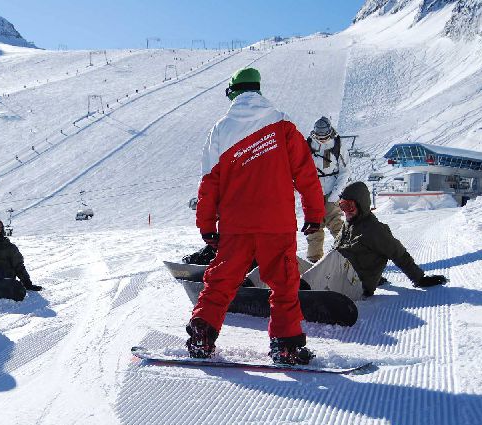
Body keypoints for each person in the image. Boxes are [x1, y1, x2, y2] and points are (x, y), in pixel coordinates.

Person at [185, 67, 325, 366]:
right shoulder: (283, 124)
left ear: (233, 92)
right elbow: (306, 174)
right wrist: (314, 213)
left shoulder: (221, 129)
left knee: (221, 281)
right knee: (284, 286)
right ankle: (286, 347)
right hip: (276, 223)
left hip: (236, 225)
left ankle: (202, 335)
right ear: (258, 89)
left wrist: (207, 224)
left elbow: (209, 182)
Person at [302, 182, 447, 298]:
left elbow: (399, 254)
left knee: (335, 256)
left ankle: (303, 291)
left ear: (361, 204)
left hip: (356, 287)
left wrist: (420, 279)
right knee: (292, 260)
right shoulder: (349, 224)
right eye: (342, 206)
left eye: (349, 206)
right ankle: (295, 288)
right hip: (338, 279)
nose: (346, 212)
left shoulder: (375, 229)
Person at [305, 116, 350, 263]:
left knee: (336, 225)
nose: (322, 140)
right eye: (319, 137)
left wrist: (335, 194)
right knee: (314, 227)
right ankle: (314, 261)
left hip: (331, 191)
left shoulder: (338, 145)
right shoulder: (308, 145)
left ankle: (347, 256)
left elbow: (344, 171)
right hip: (314, 193)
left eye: (324, 137)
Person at [0, 218, 42, 300]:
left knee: (17, 291)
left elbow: (19, 267)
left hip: (7, 283)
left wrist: (27, 284)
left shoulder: (10, 247)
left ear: (1, 231)